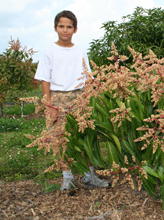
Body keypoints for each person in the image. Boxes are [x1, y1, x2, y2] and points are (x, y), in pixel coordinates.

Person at [34, 10, 109, 191]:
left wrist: (91, 97)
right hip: (57, 97)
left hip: (79, 96)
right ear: (55, 28)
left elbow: (87, 75)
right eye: (61, 26)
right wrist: (49, 105)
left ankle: (88, 175)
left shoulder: (80, 50)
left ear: (75, 29)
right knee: (60, 139)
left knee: (83, 136)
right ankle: (67, 177)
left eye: (69, 27)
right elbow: (45, 79)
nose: (65, 30)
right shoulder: (48, 51)